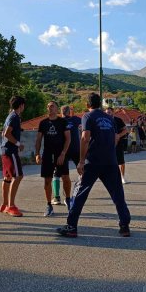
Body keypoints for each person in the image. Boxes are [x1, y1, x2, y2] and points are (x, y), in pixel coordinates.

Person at [56, 93, 131, 238]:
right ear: (100, 105)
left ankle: (71, 227)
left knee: (80, 193)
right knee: (118, 194)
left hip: (93, 161)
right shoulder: (109, 118)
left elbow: (85, 138)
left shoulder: (87, 116)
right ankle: (124, 226)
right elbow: (114, 138)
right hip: (110, 161)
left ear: (87, 105)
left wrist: (81, 161)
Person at [35, 101, 70, 217]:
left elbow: (68, 139)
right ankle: (49, 205)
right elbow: (39, 140)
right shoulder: (43, 123)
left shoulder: (63, 122)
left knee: (65, 177)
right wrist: (37, 154)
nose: (50, 108)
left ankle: (68, 200)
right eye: (48, 106)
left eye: (52, 106)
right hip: (47, 154)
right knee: (47, 180)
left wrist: (63, 153)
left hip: (60, 154)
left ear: (57, 109)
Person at [0, 96, 26, 217]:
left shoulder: (10, 116)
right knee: (18, 176)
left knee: (7, 177)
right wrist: (18, 144)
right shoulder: (15, 117)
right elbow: (6, 133)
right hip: (10, 151)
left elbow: (3, 133)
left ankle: (5, 205)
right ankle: (11, 206)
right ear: (21, 105)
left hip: (4, 150)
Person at [54, 105, 81, 208]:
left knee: (60, 175)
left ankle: (59, 197)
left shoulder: (58, 121)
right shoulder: (75, 119)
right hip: (75, 149)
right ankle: (75, 193)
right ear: (70, 112)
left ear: (60, 112)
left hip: (63, 151)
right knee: (82, 172)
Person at [106, 107, 130, 184]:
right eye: (106, 112)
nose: (107, 114)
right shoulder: (104, 120)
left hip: (118, 144)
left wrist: (119, 135)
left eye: (109, 112)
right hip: (108, 144)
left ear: (113, 112)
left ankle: (122, 177)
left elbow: (126, 130)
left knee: (121, 161)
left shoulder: (118, 120)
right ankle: (111, 177)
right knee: (108, 161)